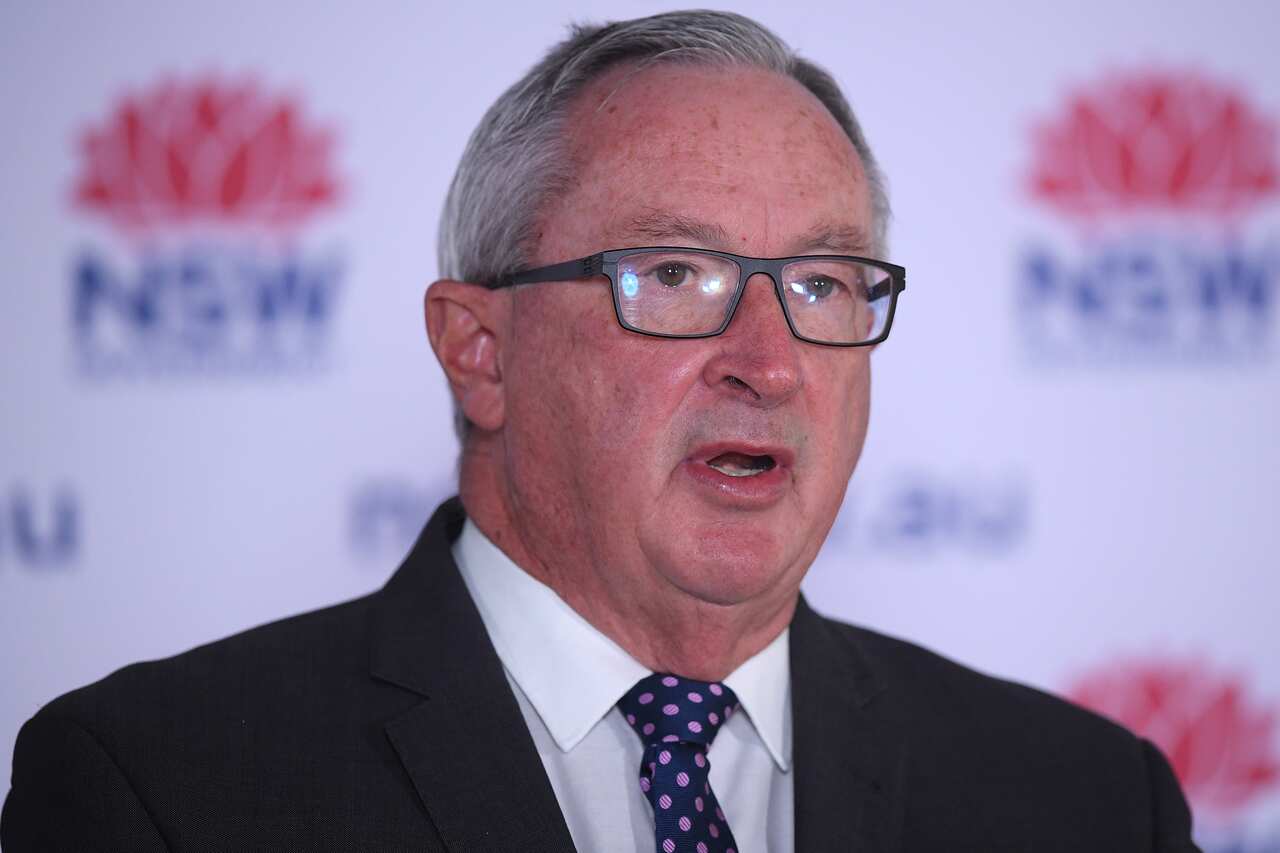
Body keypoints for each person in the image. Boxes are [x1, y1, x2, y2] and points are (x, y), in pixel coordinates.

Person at [2, 10, 1199, 852]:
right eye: (675, 273)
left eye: (825, 283)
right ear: (481, 351)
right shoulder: (161, 788)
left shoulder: (1086, 799)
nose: (771, 362)